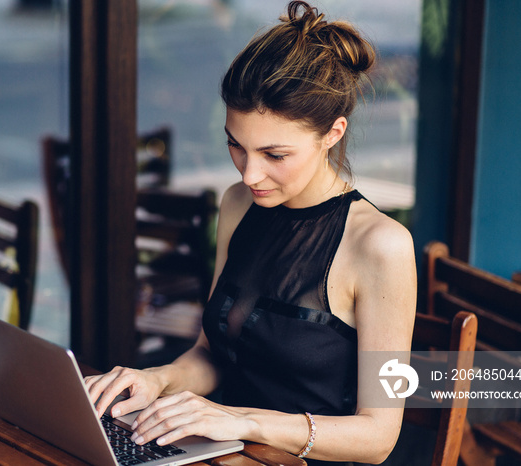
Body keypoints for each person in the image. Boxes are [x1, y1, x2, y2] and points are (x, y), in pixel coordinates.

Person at [85, 2, 417, 464]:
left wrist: (244, 421)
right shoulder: (238, 204)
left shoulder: (381, 246)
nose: (250, 174)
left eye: (274, 155)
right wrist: (157, 380)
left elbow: (379, 437)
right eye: (235, 146)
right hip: (224, 451)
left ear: (333, 133)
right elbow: (213, 354)